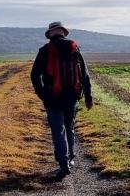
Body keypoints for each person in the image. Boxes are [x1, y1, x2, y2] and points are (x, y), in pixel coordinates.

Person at [31, 21, 93, 180]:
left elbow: (34, 75)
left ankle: (63, 163)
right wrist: (88, 97)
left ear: (50, 33)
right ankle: (71, 156)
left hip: (52, 97)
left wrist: (42, 94)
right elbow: (84, 74)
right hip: (72, 96)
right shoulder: (74, 48)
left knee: (58, 130)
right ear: (63, 33)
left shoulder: (45, 50)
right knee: (69, 126)